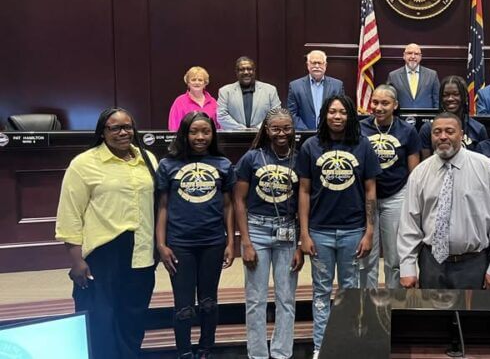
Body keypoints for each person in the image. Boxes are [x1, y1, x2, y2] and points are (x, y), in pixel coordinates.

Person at [55, 107, 158, 359]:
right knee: (101, 317)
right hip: (103, 252)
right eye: (115, 128)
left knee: (133, 315)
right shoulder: (84, 163)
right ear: (103, 132)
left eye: (128, 127)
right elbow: (69, 214)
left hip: (142, 250)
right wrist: (76, 260)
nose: (123, 132)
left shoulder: (148, 159)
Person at [296, 95, 381, 356]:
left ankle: (347, 345)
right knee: (321, 293)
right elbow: (303, 191)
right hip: (319, 232)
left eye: (342, 112)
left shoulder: (362, 145)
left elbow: (370, 190)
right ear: (324, 115)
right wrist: (304, 234)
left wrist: (369, 232)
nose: (337, 117)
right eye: (332, 112)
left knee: (350, 293)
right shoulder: (311, 146)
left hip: (353, 232)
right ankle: (321, 348)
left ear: (350, 116)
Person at [397, 112, 490, 290]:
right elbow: (409, 224)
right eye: (437, 132)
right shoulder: (420, 173)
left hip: (473, 263)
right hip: (431, 263)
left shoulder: (486, 169)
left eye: (449, 131)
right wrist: (407, 267)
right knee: (433, 316)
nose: (443, 136)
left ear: (462, 134)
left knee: (473, 317)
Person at [155, 111, 235, 359]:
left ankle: (205, 349)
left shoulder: (223, 165)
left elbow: (228, 206)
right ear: (184, 134)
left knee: (209, 301)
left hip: (213, 242)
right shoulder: (168, 165)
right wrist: (161, 244)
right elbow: (163, 207)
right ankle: (185, 352)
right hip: (180, 244)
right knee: (184, 305)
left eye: (206, 132)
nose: (200, 137)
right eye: (194, 131)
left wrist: (232, 241)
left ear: (213, 134)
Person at [234, 107, 304, 359]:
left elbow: (303, 203)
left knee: (286, 298)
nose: (281, 133)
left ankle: (282, 353)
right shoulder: (252, 158)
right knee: (255, 299)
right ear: (266, 129)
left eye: (286, 128)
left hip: (288, 230)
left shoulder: (300, 158)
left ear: (293, 130)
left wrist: (299, 245)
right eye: (275, 128)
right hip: (257, 230)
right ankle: (258, 354)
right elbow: (239, 201)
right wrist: (245, 242)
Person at [359, 84, 422, 289]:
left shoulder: (408, 130)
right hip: (366, 197)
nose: (379, 107)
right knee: (367, 256)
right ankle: (368, 305)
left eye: (385, 103)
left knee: (394, 257)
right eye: (375, 102)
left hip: (396, 195)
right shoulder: (360, 129)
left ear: (395, 105)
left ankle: (393, 304)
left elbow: (414, 172)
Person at [418, 75, 488, 158]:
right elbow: (426, 163)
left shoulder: (478, 129)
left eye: (456, 94)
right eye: (445, 95)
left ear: (465, 97)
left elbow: (482, 163)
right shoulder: (428, 129)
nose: (450, 98)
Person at [217, 56, 281, 130]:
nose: (246, 72)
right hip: (234, 138)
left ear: (254, 70)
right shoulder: (225, 91)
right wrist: (242, 129)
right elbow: (221, 115)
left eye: (249, 69)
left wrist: (258, 128)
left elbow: (275, 114)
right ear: (236, 72)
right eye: (242, 69)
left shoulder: (270, 90)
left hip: (263, 137)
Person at [286, 50, 345, 131]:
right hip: (304, 134)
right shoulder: (295, 86)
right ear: (307, 65)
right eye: (313, 63)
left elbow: (341, 111)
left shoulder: (337, 85)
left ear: (325, 65)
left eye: (320, 63)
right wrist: (307, 132)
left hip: (330, 134)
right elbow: (292, 114)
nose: (317, 66)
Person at [387, 43, 440, 109]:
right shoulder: (393, 76)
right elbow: (389, 100)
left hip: (426, 117)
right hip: (401, 117)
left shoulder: (432, 75)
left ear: (420, 57)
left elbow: (437, 101)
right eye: (409, 53)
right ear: (404, 56)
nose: (413, 56)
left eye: (416, 54)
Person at [167, 66, 220, 131]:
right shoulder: (179, 101)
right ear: (188, 83)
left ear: (205, 83)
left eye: (200, 80)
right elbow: (173, 127)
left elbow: (219, 126)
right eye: (193, 80)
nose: (197, 82)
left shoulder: (213, 102)